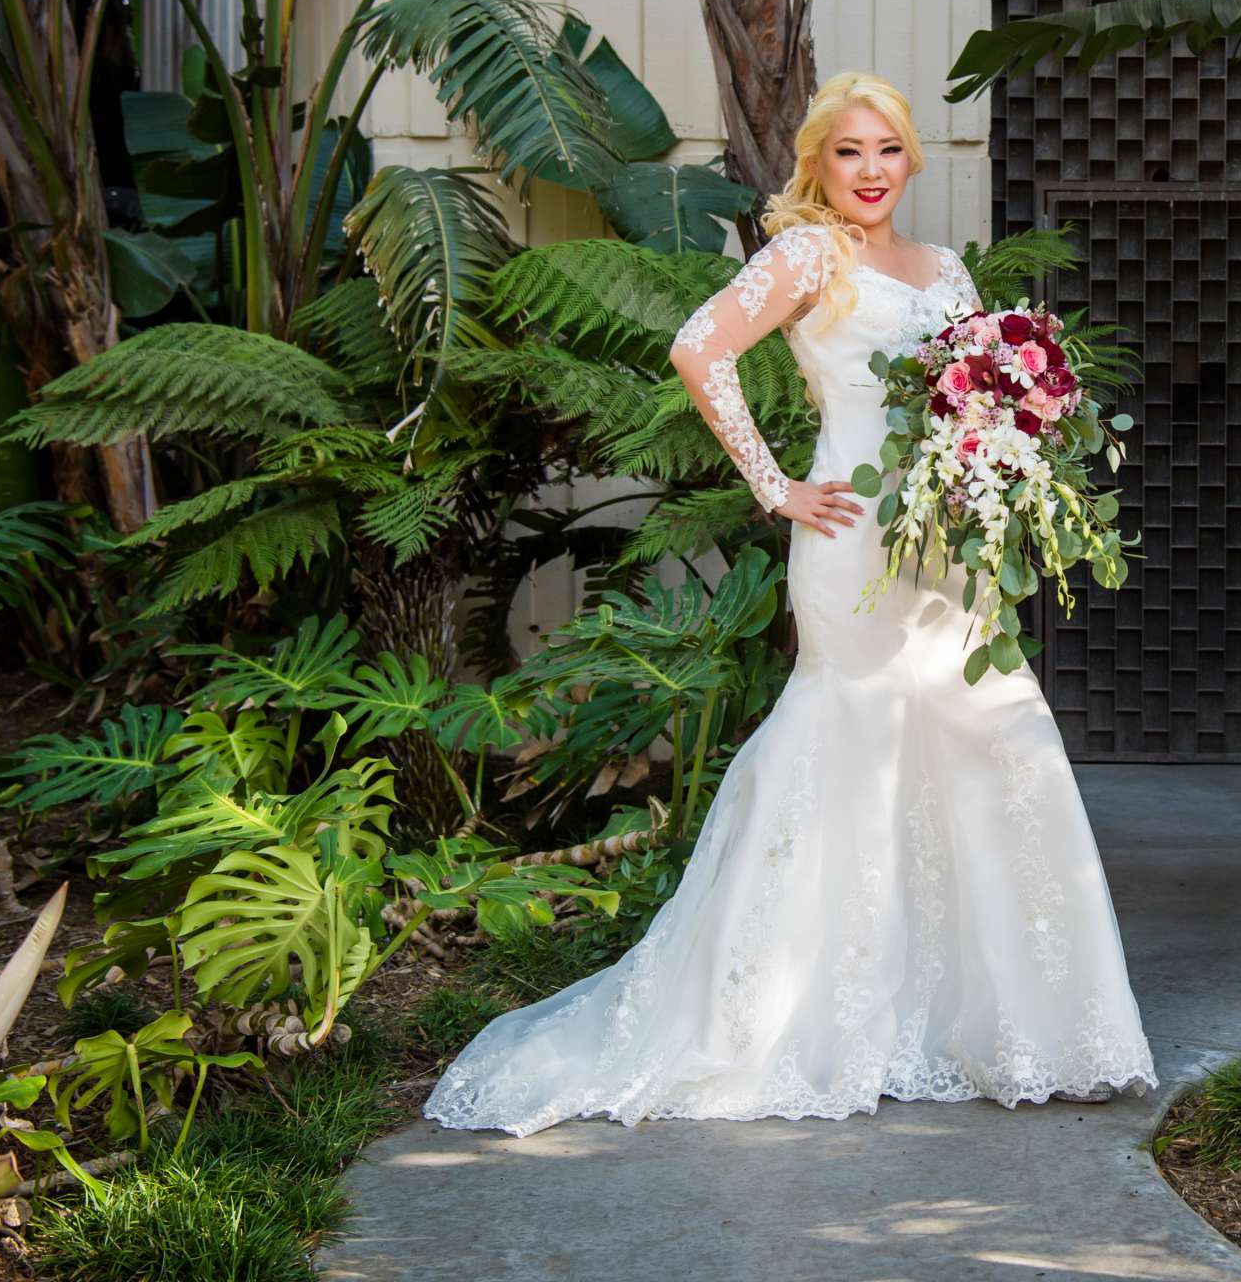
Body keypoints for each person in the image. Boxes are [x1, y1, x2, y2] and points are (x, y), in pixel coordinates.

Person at [423, 71, 1158, 1135]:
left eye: (888, 150)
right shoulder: (808, 255)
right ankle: (806, 1013)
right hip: (850, 536)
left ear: (911, 160)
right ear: (817, 163)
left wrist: (1009, 468)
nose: (869, 171)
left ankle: (1024, 1026)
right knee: (847, 738)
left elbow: (984, 391)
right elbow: (698, 345)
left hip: (948, 547)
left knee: (986, 737)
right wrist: (775, 485)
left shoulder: (946, 271)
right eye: (848, 151)